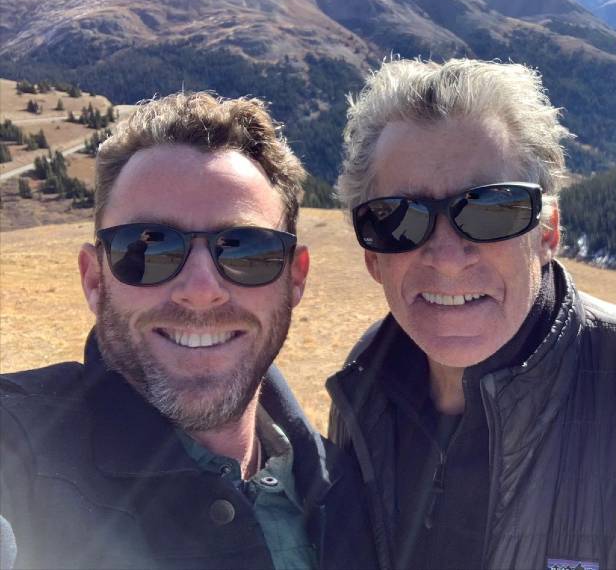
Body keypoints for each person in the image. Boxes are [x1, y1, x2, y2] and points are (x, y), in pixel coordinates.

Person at [0, 93, 378, 570]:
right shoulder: (18, 450)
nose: (201, 290)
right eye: (147, 249)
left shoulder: (350, 489)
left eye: (244, 250)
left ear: (295, 278)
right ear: (95, 279)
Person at [327, 58, 616, 570]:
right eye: (399, 219)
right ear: (373, 256)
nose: (448, 257)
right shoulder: (364, 382)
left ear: (547, 234)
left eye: (490, 210)